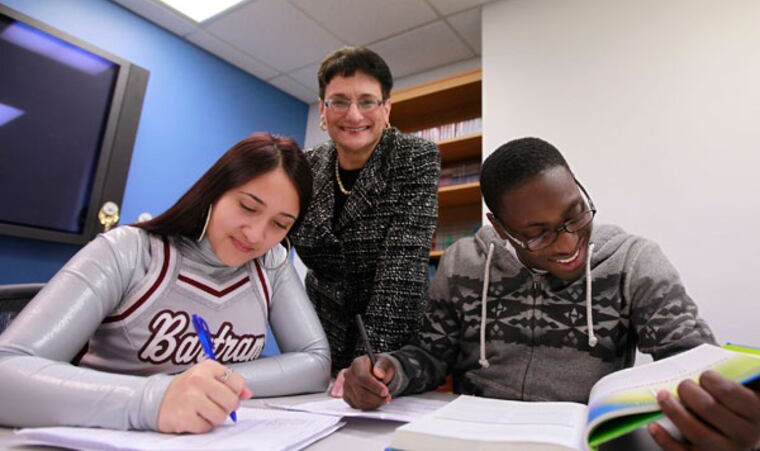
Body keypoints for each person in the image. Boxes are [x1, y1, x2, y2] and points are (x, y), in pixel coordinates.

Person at [342, 137, 760, 451]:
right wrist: (391, 372)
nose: (565, 243)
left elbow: (692, 360)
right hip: (472, 439)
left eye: (574, 214)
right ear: (500, 227)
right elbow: (431, 356)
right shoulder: (461, 263)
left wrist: (723, 411)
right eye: (537, 233)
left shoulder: (633, 261)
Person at [0, 133, 331, 433]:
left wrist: (212, 384)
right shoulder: (130, 250)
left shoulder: (271, 263)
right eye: (247, 207)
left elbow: (314, 361)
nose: (257, 235)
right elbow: (7, 371)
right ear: (213, 192)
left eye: (280, 224)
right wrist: (156, 397)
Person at [290, 47, 440, 382]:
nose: (353, 115)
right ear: (323, 110)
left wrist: (368, 364)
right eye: (339, 101)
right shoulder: (305, 166)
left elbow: (401, 268)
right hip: (320, 334)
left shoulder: (414, 157)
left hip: (393, 340)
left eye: (367, 101)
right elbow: (272, 246)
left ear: (386, 109)